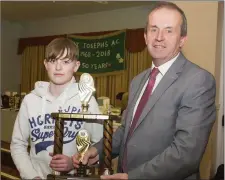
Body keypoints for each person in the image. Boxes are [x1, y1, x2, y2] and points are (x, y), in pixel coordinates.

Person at [72, 1, 216, 180]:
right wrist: (96, 151)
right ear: (146, 37)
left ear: (182, 40)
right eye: (153, 29)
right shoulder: (138, 81)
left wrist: (132, 177)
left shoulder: (198, 81)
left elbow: (186, 155)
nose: (159, 37)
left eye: (169, 30)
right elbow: (125, 131)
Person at [10, 38, 103, 179]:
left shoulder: (87, 100)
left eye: (66, 62)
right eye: (53, 61)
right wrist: (32, 177)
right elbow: (18, 144)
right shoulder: (30, 100)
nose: (58, 68)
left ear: (76, 66)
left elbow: (100, 146)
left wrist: (74, 162)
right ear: (46, 64)